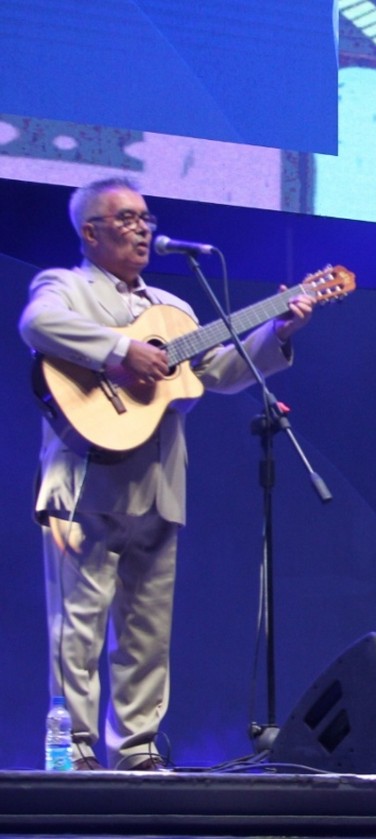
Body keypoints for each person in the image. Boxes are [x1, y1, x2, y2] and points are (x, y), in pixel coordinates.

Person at [18, 177, 313, 770]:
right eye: (124, 218)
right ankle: (74, 753)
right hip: (83, 483)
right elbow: (38, 325)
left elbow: (220, 371)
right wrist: (122, 352)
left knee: (146, 634)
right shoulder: (65, 286)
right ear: (90, 232)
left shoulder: (173, 309)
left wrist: (278, 330)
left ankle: (137, 750)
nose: (141, 228)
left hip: (157, 486)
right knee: (77, 628)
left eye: (145, 217)